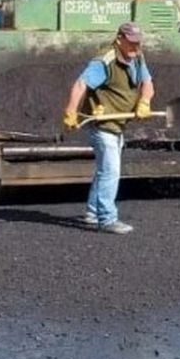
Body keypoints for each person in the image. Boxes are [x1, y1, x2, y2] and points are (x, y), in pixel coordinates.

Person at [62, 21, 154, 234]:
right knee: (111, 171)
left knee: (104, 170)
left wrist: (145, 101)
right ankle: (107, 219)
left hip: (119, 124)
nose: (135, 48)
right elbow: (80, 84)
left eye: (138, 43)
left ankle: (93, 213)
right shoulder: (105, 61)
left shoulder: (138, 57)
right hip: (101, 124)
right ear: (119, 39)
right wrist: (71, 111)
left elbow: (148, 83)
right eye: (131, 43)